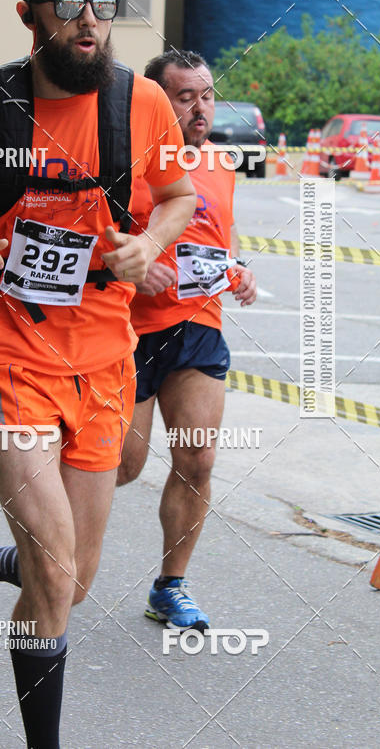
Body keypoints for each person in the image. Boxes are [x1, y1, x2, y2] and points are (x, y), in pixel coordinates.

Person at [0, 0, 196, 748]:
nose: (89, 21)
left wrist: (151, 245)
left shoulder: (143, 106)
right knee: (57, 568)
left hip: (102, 354)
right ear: (30, 14)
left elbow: (176, 194)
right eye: (68, 5)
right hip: (7, 343)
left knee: (71, 581)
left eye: (103, 4)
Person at [117, 49, 257, 632]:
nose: (200, 108)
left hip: (199, 328)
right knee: (119, 466)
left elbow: (216, 237)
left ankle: (170, 587)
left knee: (197, 460)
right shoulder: (126, 161)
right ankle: (30, 549)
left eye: (206, 95)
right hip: (128, 331)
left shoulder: (223, 163)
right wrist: (129, 264)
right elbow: (90, 229)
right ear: (156, 100)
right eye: (184, 96)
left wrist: (239, 268)